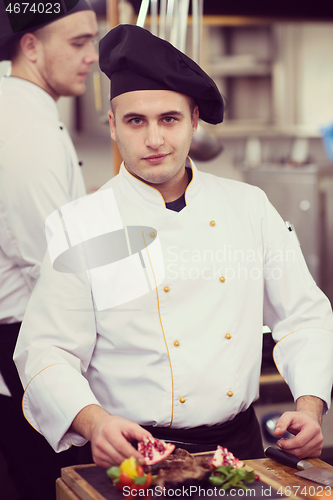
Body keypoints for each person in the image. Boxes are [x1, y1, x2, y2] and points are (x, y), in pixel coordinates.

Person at [14, 24, 333, 471]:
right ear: (112, 125)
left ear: (194, 121)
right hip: (131, 451)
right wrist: (94, 423)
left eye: (169, 119)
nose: (155, 140)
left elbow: (303, 317)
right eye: (135, 121)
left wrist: (309, 407)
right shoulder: (82, 224)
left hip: (240, 449)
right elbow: (47, 353)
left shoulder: (248, 207)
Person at [0, 1, 98, 498]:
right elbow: (52, 266)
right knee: (57, 488)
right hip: (23, 347)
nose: (92, 56)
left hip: (29, 338)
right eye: (78, 42)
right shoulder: (26, 130)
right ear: (31, 46)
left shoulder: (25, 111)